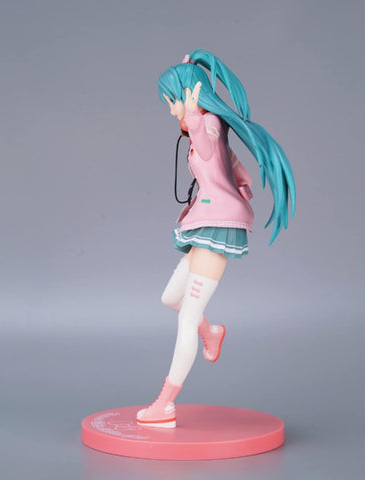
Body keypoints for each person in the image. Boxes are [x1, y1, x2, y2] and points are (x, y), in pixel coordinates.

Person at [136, 49, 296, 428]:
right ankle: (212, 332)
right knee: (170, 298)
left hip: (217, 225)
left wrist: (193, 116)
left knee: (187, 316)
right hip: (204, 220)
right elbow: (220, 160)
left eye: (172, 101)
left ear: (188, 96)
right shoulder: (205, 125)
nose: (170, 110)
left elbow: (208, 152)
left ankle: (165, 405)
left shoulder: (206, 125)